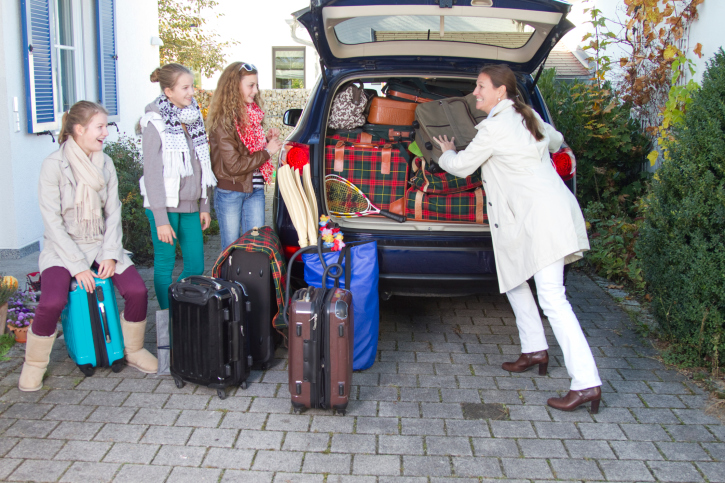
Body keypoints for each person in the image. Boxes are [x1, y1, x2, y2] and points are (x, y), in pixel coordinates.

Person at [434, 64, 602, 413]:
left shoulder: (496, 127)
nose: (476, 93)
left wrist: (445, 151)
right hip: (532, 217)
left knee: (554, 299)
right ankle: (534, 349)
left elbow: (462, 166)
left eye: (481, 86)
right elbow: (556, 141)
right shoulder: (528, 116)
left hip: (542, 220)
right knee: (513, 279)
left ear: (500, 92)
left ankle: (586, 383)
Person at [19, 101, 156, 392]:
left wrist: (109, 253)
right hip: (62, 248)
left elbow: (113, 212)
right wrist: (78, 266)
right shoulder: (53, 165)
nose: (106, 132)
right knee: (52, 301)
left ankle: (132, 351)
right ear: (79, 129)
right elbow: (52, 222)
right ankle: (34, 364)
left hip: (99, 243)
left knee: (137, 291)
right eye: (100, 127)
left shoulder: (104, 163)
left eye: (106, 126)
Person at [140, 63, 216, 310]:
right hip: (164, 208)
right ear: (168, 91)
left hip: (190, 206)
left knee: (196, 265)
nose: (191, 92)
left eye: (191, 86)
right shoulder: (154, 122)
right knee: (165, 264)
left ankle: (182, 309)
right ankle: (168, 319)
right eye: (185, 87)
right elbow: (151, 173)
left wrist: (204, 204)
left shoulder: (193, 118)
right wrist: (160, 218)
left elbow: (202, 165)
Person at [206, 61, 282, 250]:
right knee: (230, 250)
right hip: (231, 192)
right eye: (250, 85)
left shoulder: (252, 115)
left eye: (256, 85)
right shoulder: (224, 120)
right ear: (234, 87)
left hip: (254, 190)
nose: (255, 90)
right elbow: (234, 165)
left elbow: (247, 149)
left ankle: (250, 281)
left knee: (255, 249)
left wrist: (265, 140)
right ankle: (227, 281)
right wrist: (267, 152)